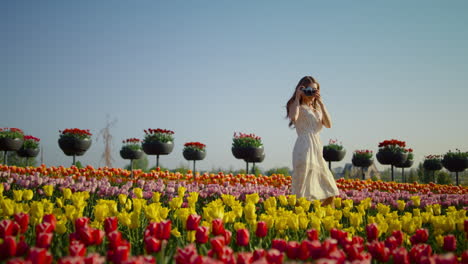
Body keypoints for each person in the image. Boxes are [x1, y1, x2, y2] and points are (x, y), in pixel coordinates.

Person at [286, 76, 340, 207]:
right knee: (303, 188)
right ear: (301, 88)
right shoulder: (296, 105)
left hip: (317, 148)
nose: (312, 92)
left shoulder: (317, 108)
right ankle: (298, 219)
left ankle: (321, 218)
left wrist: (321, 102)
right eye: (309, 89)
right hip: (304, 147)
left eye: (315, 90)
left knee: (330, 189)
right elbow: (293, 117)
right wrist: (298, 98)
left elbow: (328, 124)